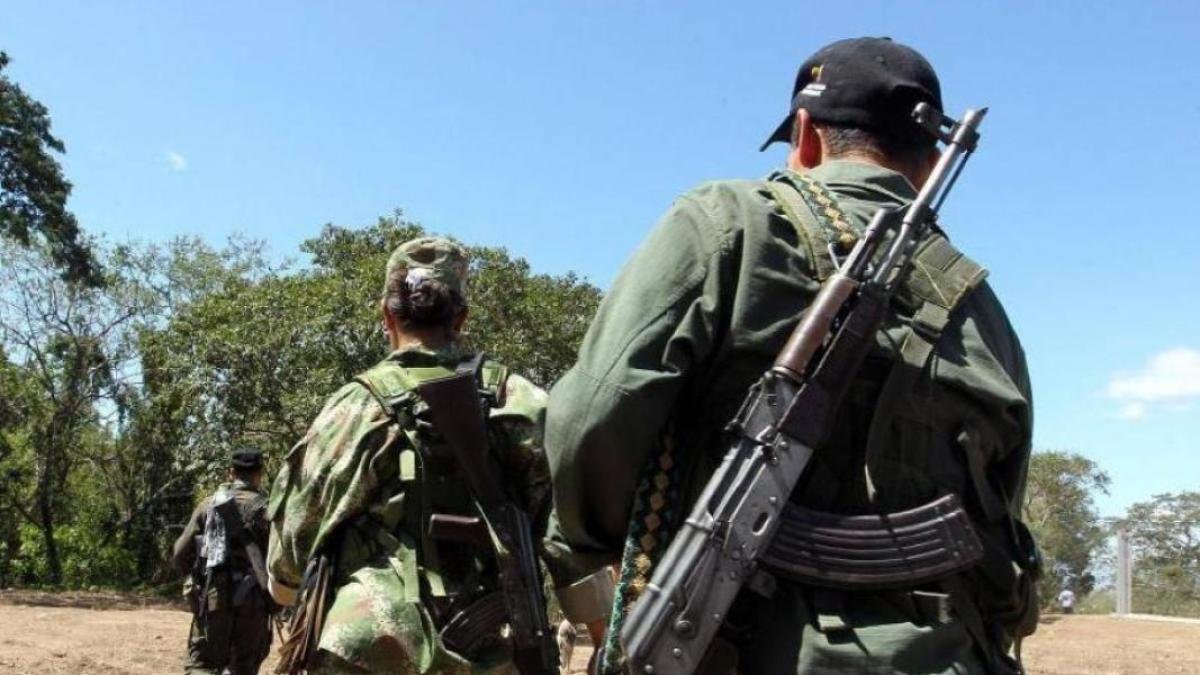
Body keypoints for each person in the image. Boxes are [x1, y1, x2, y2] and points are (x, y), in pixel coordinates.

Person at [546, 37, 1039, 674]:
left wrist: (586, 556)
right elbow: (1002, 516)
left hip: (738, 646)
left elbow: (593, 413)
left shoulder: (727, 221)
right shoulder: (985, 308)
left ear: (803, 135)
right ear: (932, 157)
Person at [266, 237, 612, 674]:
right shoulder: (519, 400)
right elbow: (566, 534)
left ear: (386, 314)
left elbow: (295, 540)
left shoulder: (355, 407)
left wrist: (286, 588)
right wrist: (601, 636)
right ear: (462, 318)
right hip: (491, 650)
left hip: (369, 648)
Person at [172, 448, 274, 675]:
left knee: (202, 666)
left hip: (213, 597)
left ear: (231, 473)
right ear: (260, 474)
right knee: (244, 668)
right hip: (254, 603)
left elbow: (180, 553)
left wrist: (195, 581)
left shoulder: (209, 505)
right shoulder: (270, 510)